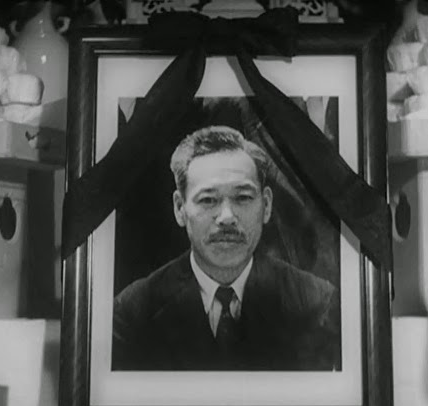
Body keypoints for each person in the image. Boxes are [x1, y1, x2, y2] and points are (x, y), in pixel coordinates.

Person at [112, 125, 340, 371]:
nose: (227, 217)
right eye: (208, 200)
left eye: (243, 198)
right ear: (180, 208)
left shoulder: (316, 303)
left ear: (266, 205)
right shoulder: (134, 312)